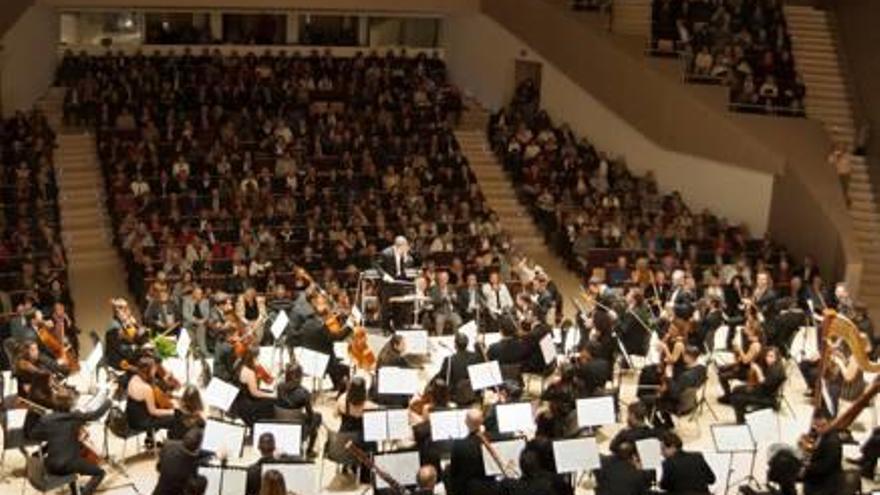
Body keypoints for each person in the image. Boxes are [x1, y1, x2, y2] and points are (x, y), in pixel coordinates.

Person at [31, 394, 111, 495]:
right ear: (70, 406)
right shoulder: (74, 417)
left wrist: (49, 427)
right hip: (67, 465)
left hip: (51, 465)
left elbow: (35, 435)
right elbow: (95, 415)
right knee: (100, 472)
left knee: (71, 460)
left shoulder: (47, 419)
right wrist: (108, 402)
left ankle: (75, 491)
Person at [728, 346, 786, 423]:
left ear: (776, 357)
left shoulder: (776, 370)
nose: (768, 358)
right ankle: (743, 415)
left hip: (768, 398)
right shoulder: (773, 366)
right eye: (767, 356)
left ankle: (741, 420)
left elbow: (765, 383)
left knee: (737, 397)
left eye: (771, 356)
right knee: (736, 389)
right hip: (764, 391)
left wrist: (758, 370)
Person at [126, 356, 176, 443]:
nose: (155, 371)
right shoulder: (146, 389)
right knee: (174, 419)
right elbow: (153, 411)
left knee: (163, 411)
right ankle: (173, 444)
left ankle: (150, 439)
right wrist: (172, 411)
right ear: (148, 371)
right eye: (153, 370)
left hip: (131, 418)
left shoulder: (134, 378)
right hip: (141, 422)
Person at [275, 363, 321, 457]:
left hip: (281, 421)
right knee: (317, 417)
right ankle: (309, 450)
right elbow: (310, 415)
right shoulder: (304, 393)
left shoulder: (279, 387)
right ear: (300, 376)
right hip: (297, 426)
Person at [447, 409, 496, 495]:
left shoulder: (459, 445)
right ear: (482, 421)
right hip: (491, 487)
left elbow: (454, 472)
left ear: (466, 422)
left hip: (468, 490)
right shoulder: (493, 440)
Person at [153, 428, 209, 495]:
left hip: (159, 491)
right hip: (178, 491)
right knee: (202, 481)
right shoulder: (190, 462)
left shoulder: (169, 445)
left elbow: (158, 467)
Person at [230, 348, 275, 426]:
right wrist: (271, 395)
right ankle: (265, 425)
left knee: (268, 393)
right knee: (271, 402)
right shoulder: (249, 373)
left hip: (238, 400)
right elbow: (255, 393)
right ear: (253, 357)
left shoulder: (238, 364)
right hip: (247, 405)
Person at [801, 412, 842, 495]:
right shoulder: (824, 434)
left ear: (830, 423)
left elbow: (824, 466)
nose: (819, 429)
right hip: (819, 478)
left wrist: (806, 467)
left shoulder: (832, 442)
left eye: (822, 426)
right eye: (816, 426)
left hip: (824, 485)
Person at [430, 270, 462, 335]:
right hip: (440, 312)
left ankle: (456, 339)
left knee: (458, 321)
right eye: (442, 278)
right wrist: (443, 297)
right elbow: (434, 301)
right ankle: (439, 338)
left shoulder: (451, 287)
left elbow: (458, 301)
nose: (444, 280)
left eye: (445, 278)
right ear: (439, 279)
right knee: (439, 321)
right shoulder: (434, 289)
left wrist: (454, 298)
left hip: (451, 312)